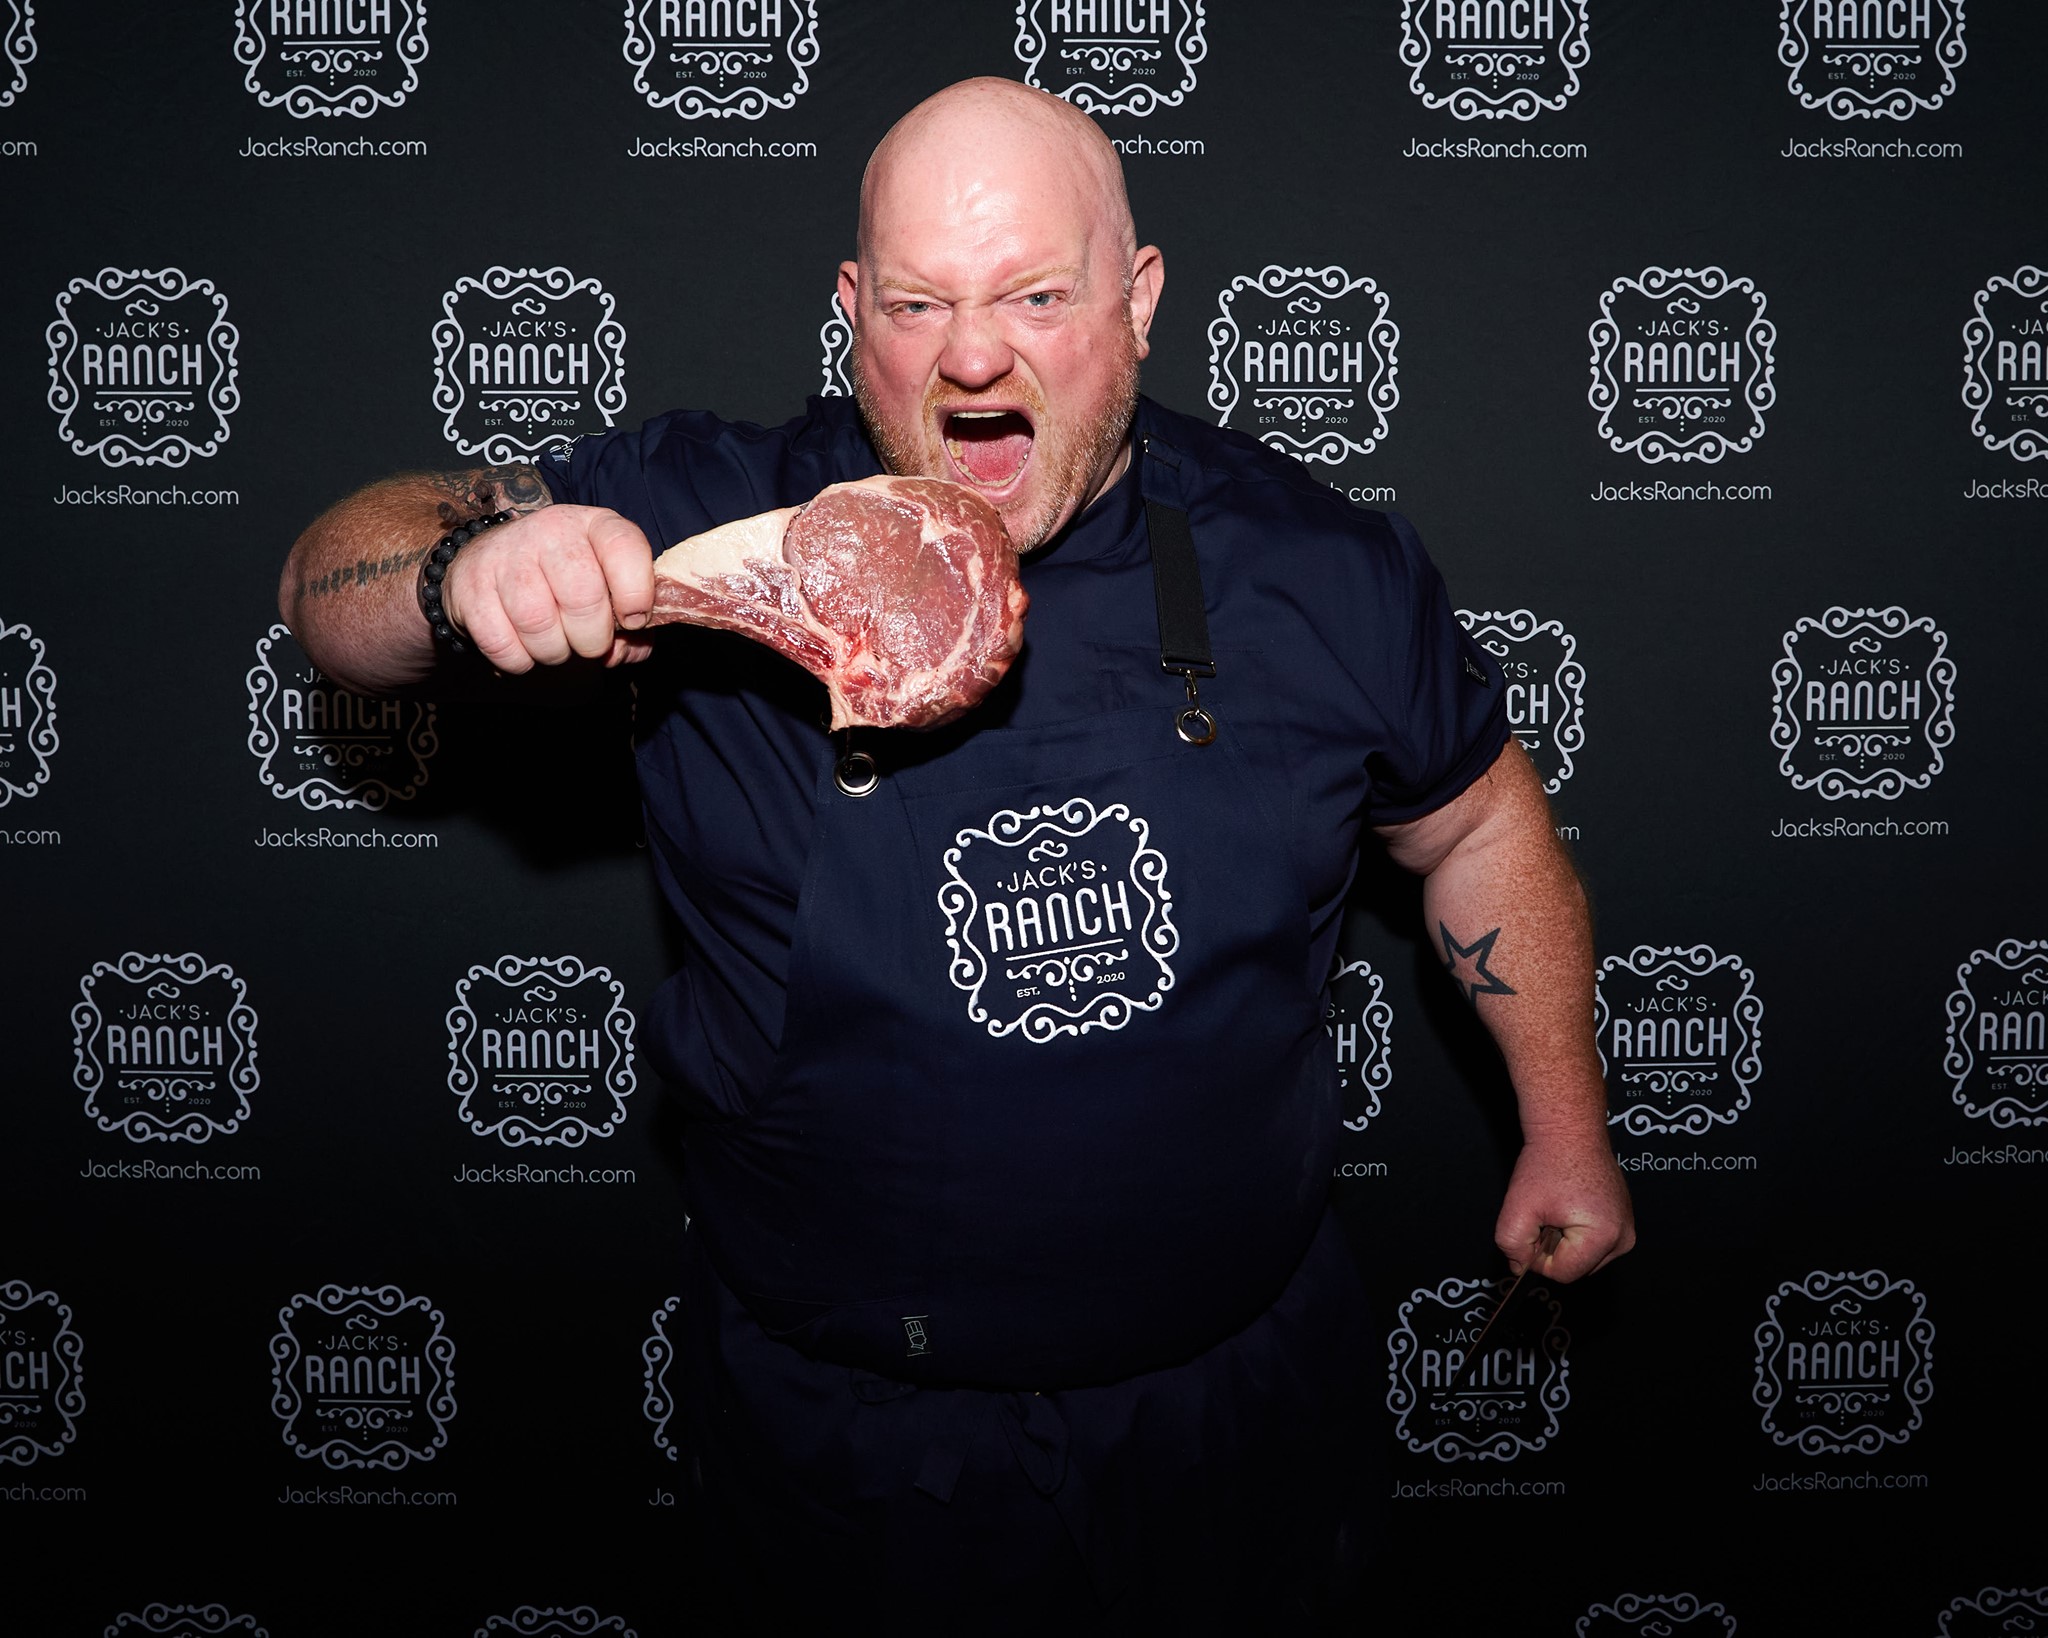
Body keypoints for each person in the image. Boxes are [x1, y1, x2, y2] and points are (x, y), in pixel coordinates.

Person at [281, 77, 1633, 1628]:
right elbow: (330, 583)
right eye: (918, 303)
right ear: (852, 310)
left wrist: (1565, 1123)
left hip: (1232, 1414)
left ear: (1137, 303)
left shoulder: (1318, 566)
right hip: (845, 1449)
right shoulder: (698, 519)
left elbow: (1472, 818)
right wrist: (468, 569)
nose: (973, 355)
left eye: (1035, 296)